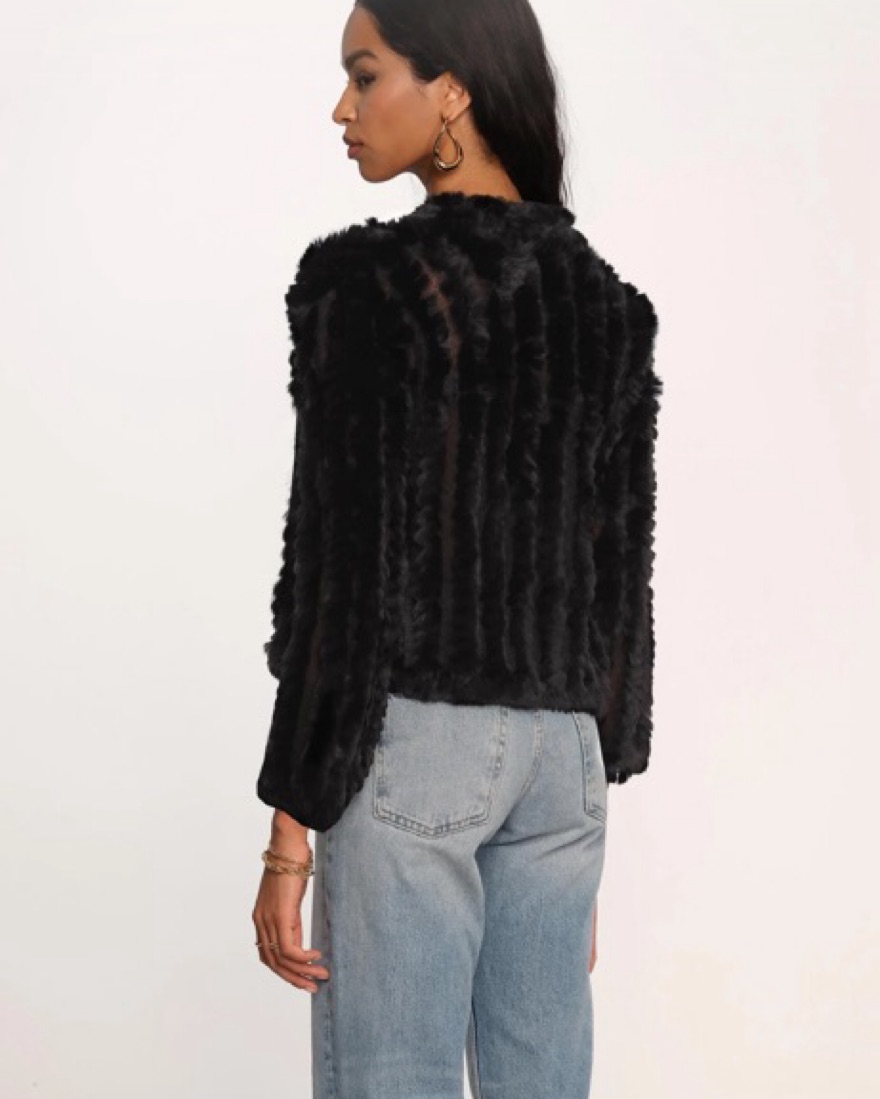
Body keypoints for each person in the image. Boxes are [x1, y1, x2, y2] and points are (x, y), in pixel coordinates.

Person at [252, 1, 662, 1096]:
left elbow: (337, 566)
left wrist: (290, 827)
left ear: (452, 89)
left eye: (365, 74)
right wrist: (584, 813)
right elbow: (620, 576)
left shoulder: (364, 287)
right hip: (563, 763)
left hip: (415, 745)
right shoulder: (610, 308)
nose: (342, 109)